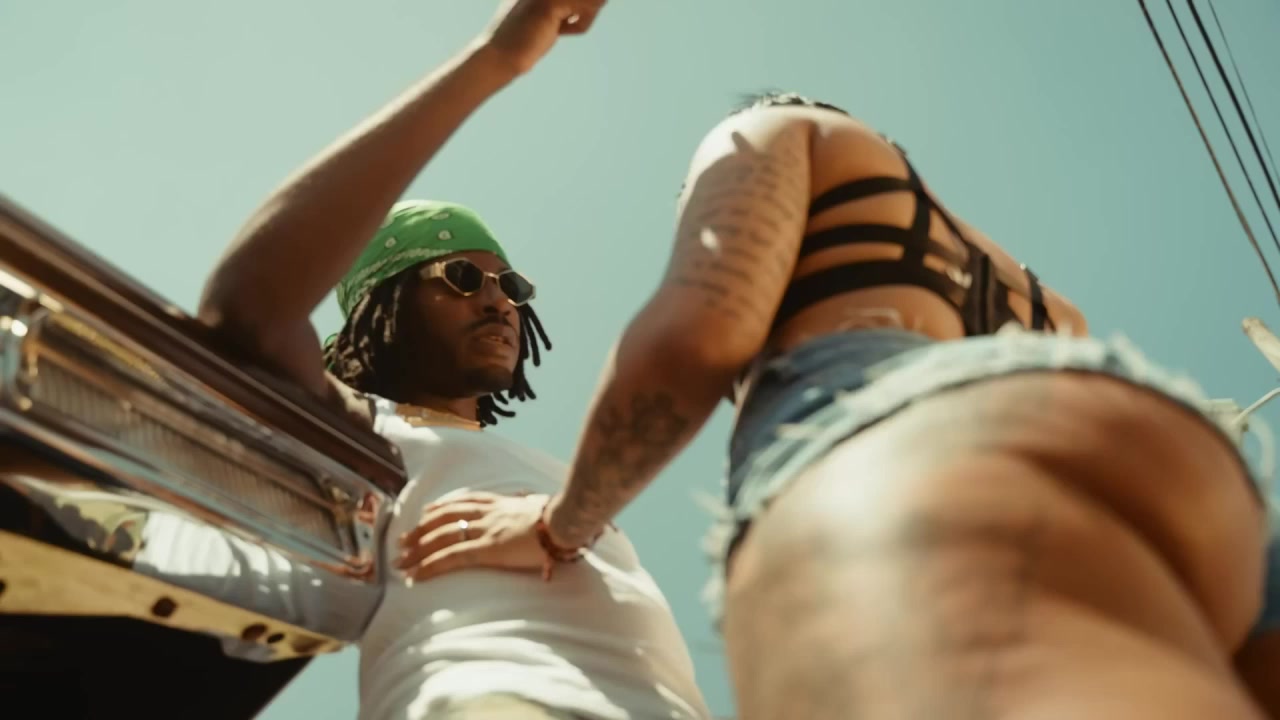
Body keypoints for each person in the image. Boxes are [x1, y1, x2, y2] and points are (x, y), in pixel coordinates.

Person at [401, 92, 1280, 718]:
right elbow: (1057, 371)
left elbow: (697, 336)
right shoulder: (1005, 271)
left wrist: (559, 524)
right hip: (1185, 469)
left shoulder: (777, 131)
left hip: (890, 437)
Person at [197, 1, 711, 718]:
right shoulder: (361, 435)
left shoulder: (550, 473)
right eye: (461, 278)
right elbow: (250, 312)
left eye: (513, 286)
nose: (500, 302)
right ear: (384, 308)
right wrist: (495, 59)